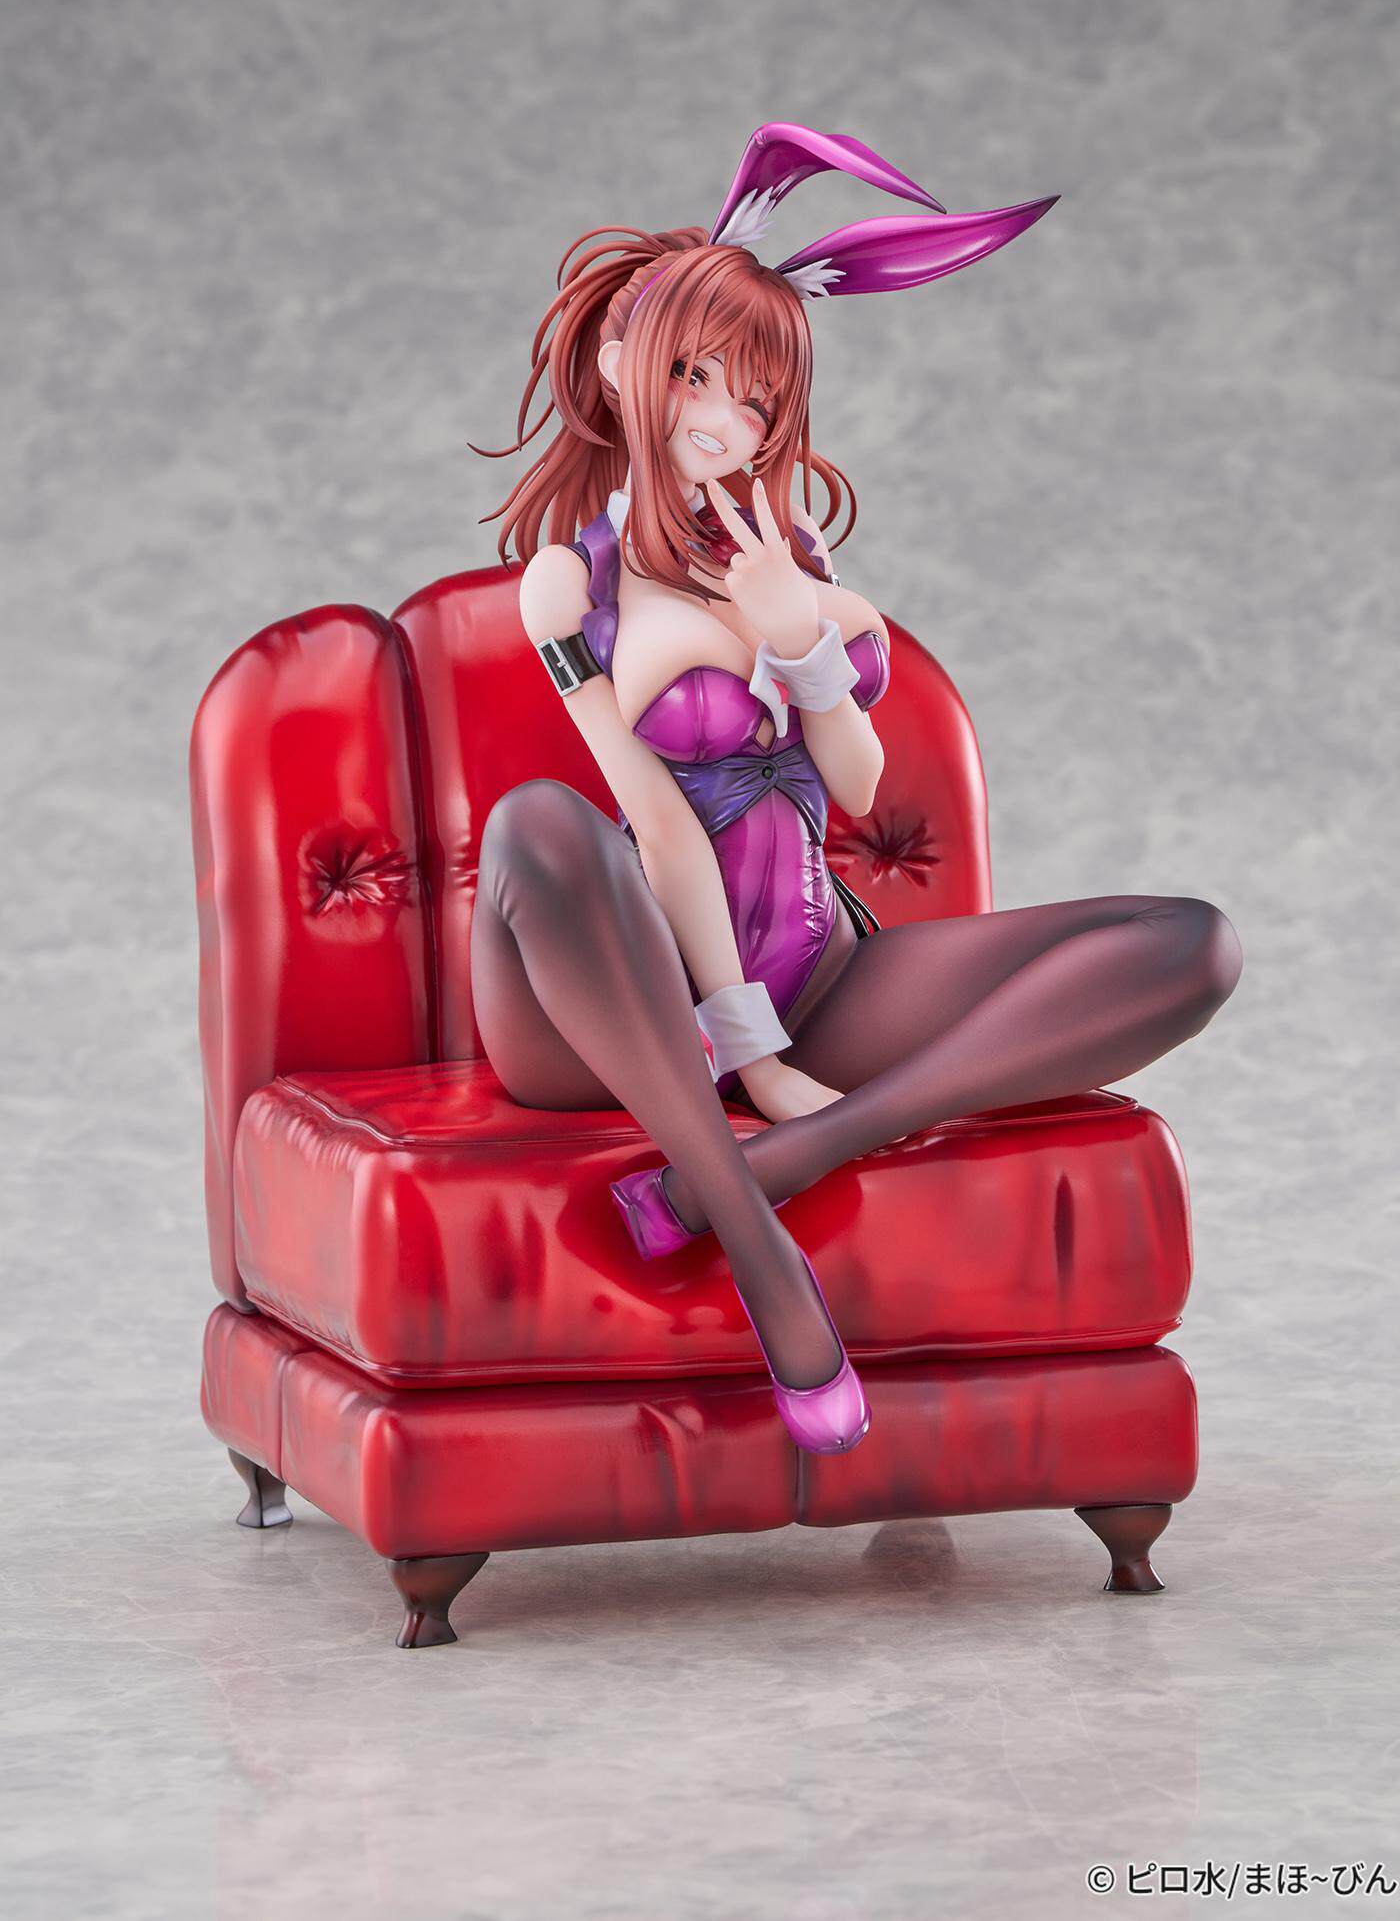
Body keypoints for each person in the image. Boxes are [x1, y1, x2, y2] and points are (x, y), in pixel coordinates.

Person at [466, 123, 1244, 1457]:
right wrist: (751, 1058)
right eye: (695, 374)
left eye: (756, 399)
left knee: (1193, 944)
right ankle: (762, 1249)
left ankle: (796, 1160)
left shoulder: (794, 561)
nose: (722, 420)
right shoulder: (569, 587)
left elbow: (857, 782)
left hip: (817, 973)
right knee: (536, 824)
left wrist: (800, 639)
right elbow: (659, 822)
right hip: (611, 1006)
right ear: (618, 362)